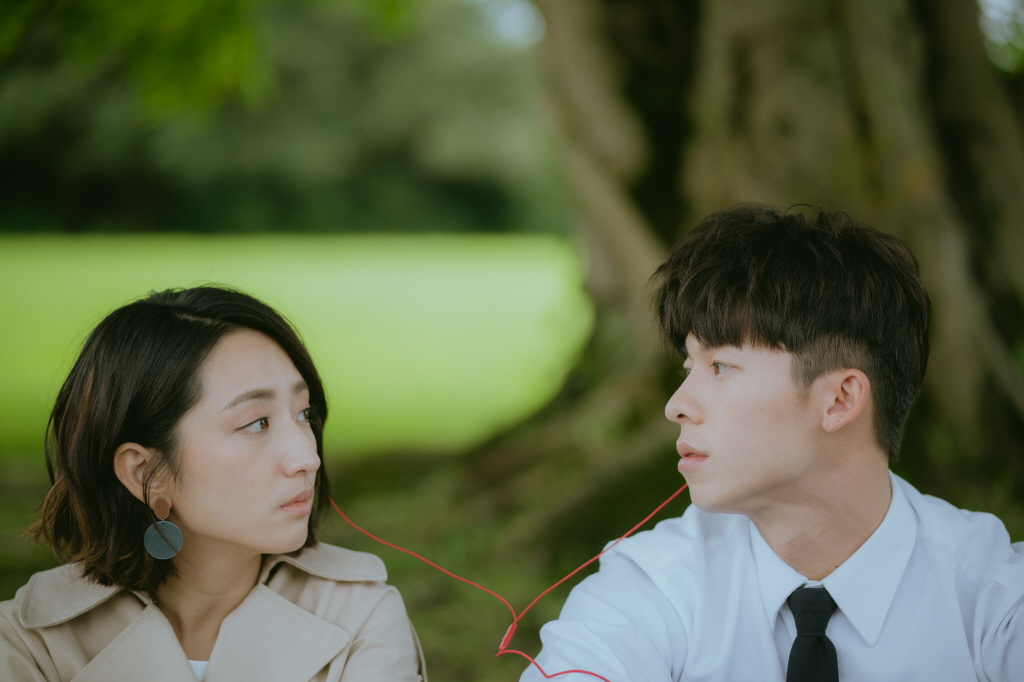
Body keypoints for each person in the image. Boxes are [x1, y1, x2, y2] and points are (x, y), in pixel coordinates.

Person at [521, 205, 1024, 682]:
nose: (676, 406)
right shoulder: (652, 587)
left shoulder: (992, 599)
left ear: (840, 399)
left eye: (721, 366)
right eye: (688, 368)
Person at [0, 287, 426, 682]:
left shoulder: (360, 615)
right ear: (146, 473)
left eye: (304, 413)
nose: (308, 457)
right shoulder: (28, 642)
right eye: (256, 423)